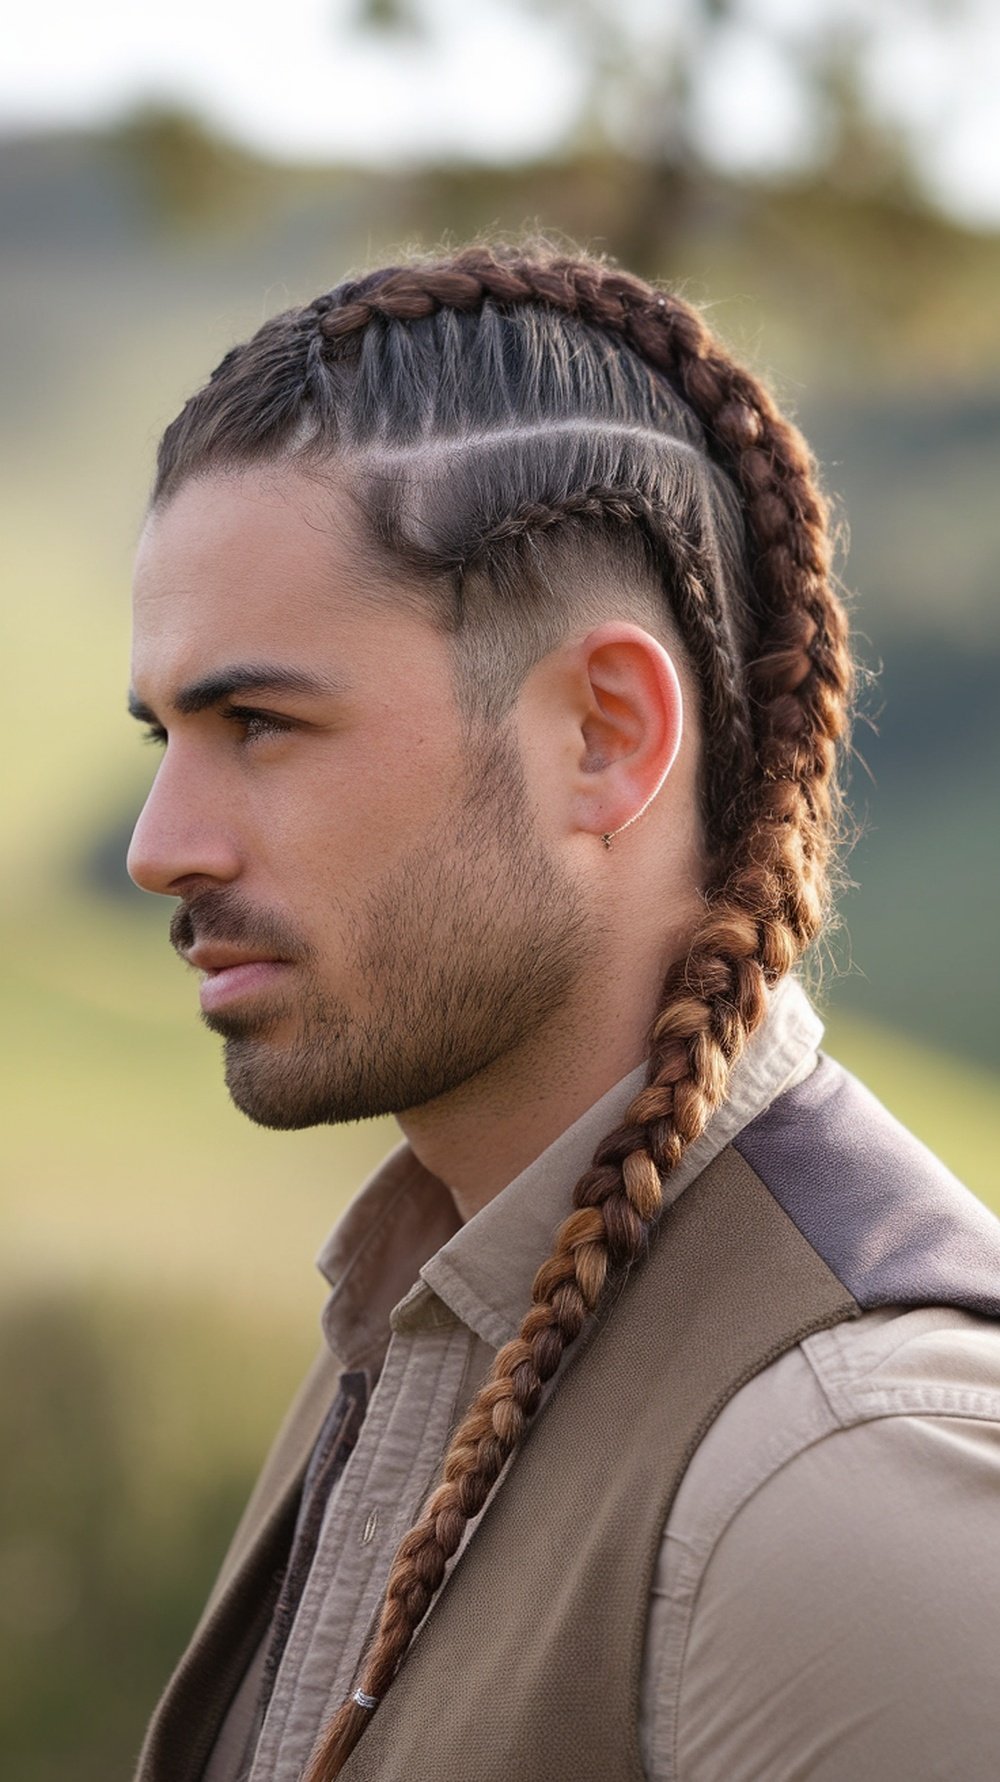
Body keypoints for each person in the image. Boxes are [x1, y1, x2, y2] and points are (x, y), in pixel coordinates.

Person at [126, 244, 1000, 1782]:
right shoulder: (413, 1323)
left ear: (604, 737)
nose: (160, 843)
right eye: (166, 730)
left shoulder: (846, 1480)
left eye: (258, 722)